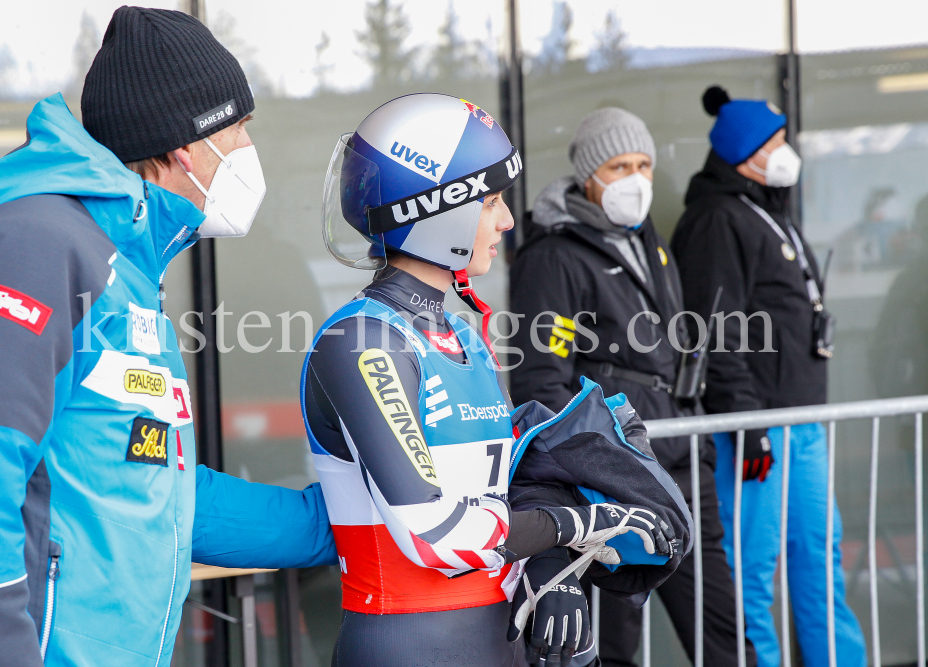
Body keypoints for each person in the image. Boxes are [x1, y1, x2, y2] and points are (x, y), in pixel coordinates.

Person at [0, 8, 336, 666]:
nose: (246, 150)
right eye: (238, 129)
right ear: (185, 146)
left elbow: (154, 486)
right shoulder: (39, 250)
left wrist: (339, 525)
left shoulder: (126, 275)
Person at [304, 93, 677, 667]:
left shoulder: (462, 335)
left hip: (498, 638)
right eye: (491, 200)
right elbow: (437, 533)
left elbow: (513, 485)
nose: (505, 219)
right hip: (408, 643)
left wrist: (555, 573)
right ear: (437, 207)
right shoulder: (362, 341)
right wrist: (583, 524)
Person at [509, 107, 754, 666]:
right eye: (620, 166)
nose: (636, 180)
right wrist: (583, 471)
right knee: (616, 637)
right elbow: (541, 379)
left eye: (644, 164)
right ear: (589, 176)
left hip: (682, 467)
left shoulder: (651, 243)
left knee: (719, 624)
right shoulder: (553, 257)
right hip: (613, 479)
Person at [670, 85, 866, 666]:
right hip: (759, 429)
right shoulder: (715, 220)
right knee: (750, 569)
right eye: (774, 142)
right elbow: (716, 328)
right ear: (745, 153)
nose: (786, 152)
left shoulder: (767, 210)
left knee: (818, 557)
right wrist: (747, 423)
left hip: (801, 424)